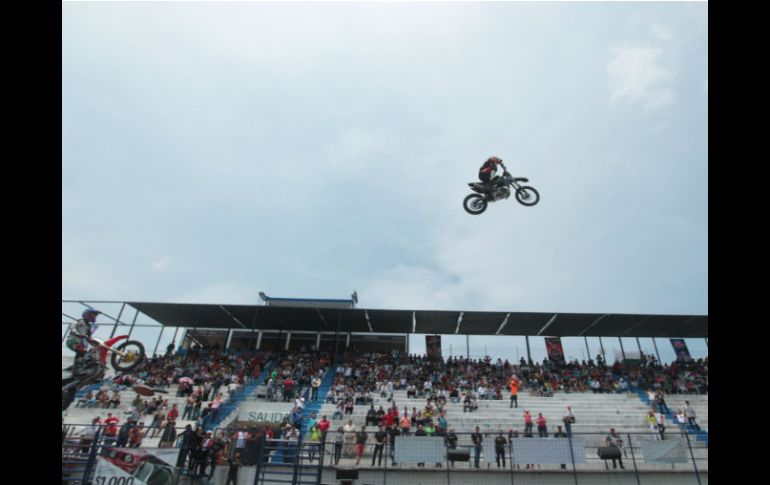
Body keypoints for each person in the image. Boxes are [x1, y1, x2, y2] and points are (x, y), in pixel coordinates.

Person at [65, 308, 102, 381]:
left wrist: (96, 344)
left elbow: (89, 338)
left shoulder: (89, 327)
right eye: (93, 315)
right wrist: (78, 334)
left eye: (95, 316)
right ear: (87, 314)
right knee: (81, 352)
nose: (94, 317)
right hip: (72, 340)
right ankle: (77, 370)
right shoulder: (78, 321)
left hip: (79, 343)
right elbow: (72, 329)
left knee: (88, 354)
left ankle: (81, 369)